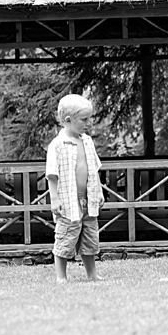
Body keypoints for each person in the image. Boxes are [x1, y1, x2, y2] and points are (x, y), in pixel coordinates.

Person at [46, 94, 106, 282]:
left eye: (89, 118)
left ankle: (92, 274)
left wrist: (99, 191)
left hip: (89, 199)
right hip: (68, 201)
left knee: (89, 237)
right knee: (65, 237)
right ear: (68, 120)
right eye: (84, 119)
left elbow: (94, 168)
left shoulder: (87, 141)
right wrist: (54, 199)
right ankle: (61, 277)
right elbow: (52, 174)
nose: (88, 123)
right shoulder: (57, 145)